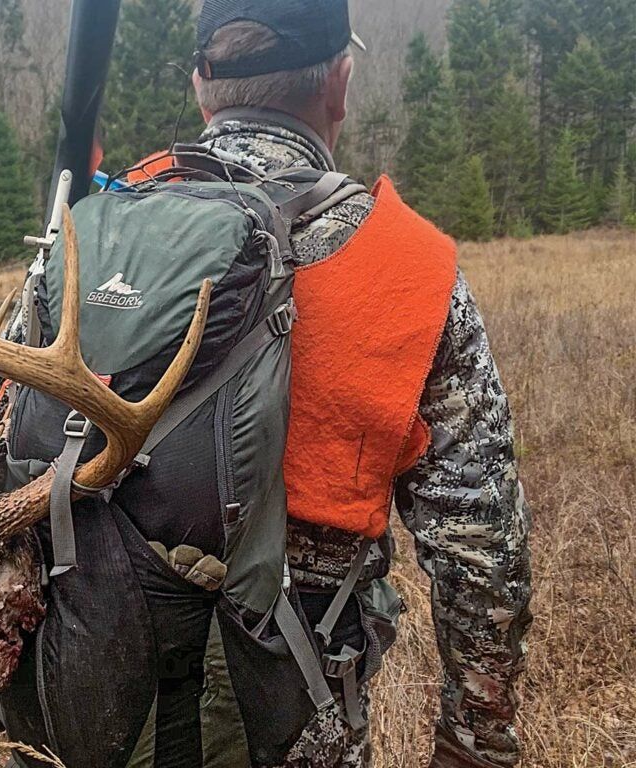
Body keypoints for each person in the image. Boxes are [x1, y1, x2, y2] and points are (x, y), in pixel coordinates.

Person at [183, 2, 533, 767]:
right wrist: (475, 741)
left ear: (201, 85)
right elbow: (481, 551)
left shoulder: (87, 233)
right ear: (339, 84)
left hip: (94, 710)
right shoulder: (408, 266)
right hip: (296, 713)